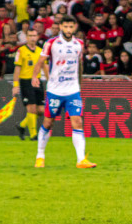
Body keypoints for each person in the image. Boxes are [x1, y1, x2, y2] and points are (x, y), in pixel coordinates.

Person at [30, 16, 96, 169]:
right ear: (60, 27)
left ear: (75, 27)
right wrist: (35, 76)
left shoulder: (79, 44)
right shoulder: (51, 43)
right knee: (48, 122)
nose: (68, 29)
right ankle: (40, 155)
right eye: (65, 26)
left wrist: (79, 84)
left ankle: (81, 160)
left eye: (71, 26)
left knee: (77, 121)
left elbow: (79, 64)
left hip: (72, 90)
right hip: (55, 90)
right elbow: (40, 61)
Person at [13, 28, 45, 140]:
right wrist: (16, 85)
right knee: (31, 108)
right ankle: (33, 135)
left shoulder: (41, 51)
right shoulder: (21, 50)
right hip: (26, 81)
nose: (32, 38)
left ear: (37, 37)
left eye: (34, 36)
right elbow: (17, 68)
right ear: (26, 38)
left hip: (38, 81)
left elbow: (44, 66)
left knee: (40, 111)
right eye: (30, 36)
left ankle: (22, 125)